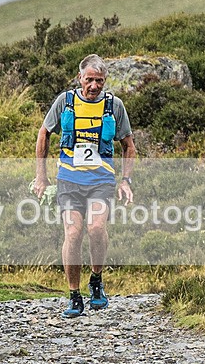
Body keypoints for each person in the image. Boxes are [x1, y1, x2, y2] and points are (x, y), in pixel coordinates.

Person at [34, 54, 136, 318]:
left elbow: (128, 145)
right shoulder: (65, 102)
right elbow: (44, 133)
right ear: (80, 78)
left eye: (99, 81)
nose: (94, 86)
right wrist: (41, 176)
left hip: (101, 181)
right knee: (73, 232)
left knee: (96, 227)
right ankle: (74, 295)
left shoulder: (115, 106)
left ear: (105, 81)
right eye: (89, 80)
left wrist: (126, 180)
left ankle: (96, 280)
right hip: (68, 180)